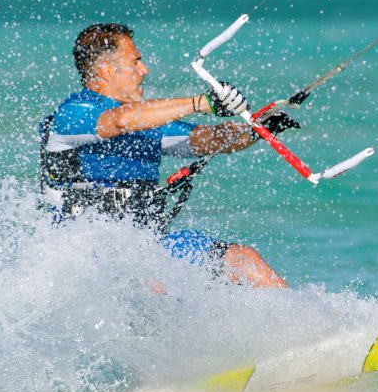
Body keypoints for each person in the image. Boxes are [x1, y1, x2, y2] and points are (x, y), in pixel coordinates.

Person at [40, 23, 296, 288]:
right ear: (105, 70)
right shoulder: (72, 114)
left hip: (146, 246)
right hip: (87, 253)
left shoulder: (147, 122)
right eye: (135, 62)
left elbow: (204, 139)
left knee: (243, 260)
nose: (144, 70)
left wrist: (259, 128)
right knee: (152, 283)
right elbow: (118, 122)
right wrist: (202, 103)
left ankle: (314, 326)